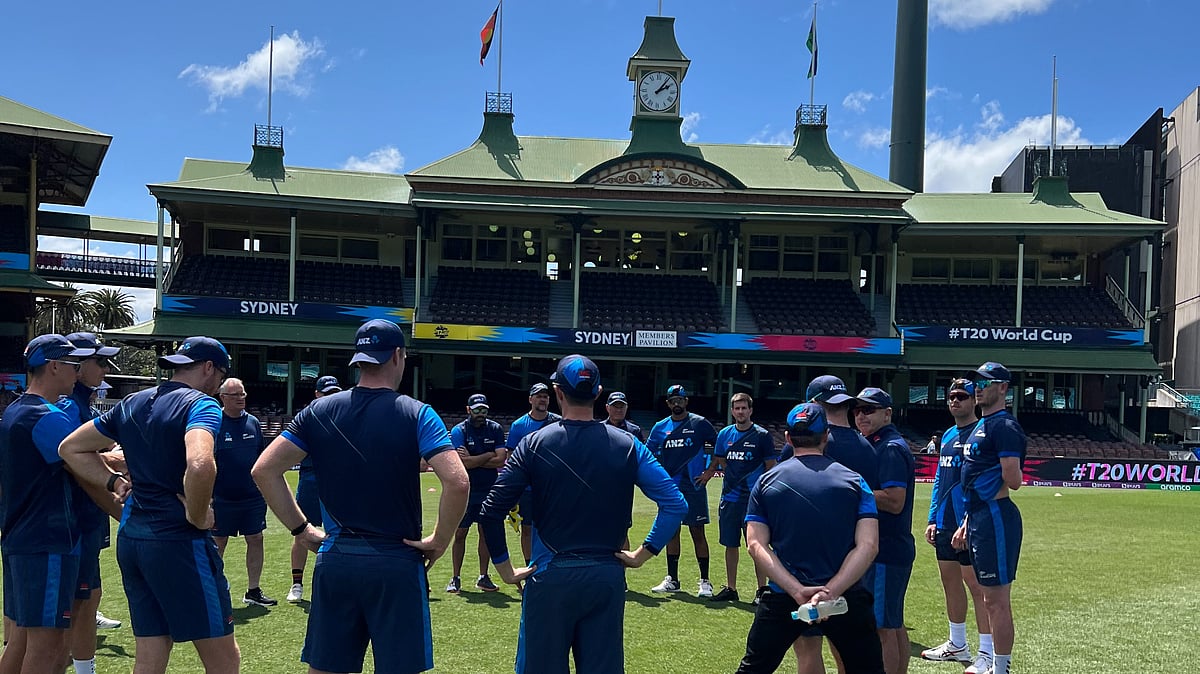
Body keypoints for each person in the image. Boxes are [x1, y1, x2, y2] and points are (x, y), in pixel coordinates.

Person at [251, 319, 469, 674]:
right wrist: (440, 540)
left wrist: (301, 529)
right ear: (399, 355)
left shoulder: (318, 411)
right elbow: (458, 482)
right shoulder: (417, 413)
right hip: (396, 561)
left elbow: (264, 470)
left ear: (359, 359)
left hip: (337, 559)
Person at [477, 354, 687, 674]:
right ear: (599, 393)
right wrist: (642, 554)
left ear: (558, 392)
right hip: (606, 577)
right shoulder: (629, 445)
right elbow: (675, 504)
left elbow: (491, 511)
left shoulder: (532, 443)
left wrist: (505, 570)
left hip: (550, 577)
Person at [59, 336, 241, 674]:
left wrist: (113, 482)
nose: (218, 386)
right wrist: (198, 515)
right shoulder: (201, 405)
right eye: (220, 376)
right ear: (208, 368)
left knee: (151, 652)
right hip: (178, 542)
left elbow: (70, 448)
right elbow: (201, 464)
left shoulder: (132, 403)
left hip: (133, 540)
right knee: (224, 657)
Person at [734, 402, 884, 674]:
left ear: (788, 438)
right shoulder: (855, 481)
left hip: (783, 595)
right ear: (826, 435)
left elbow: (755, 544)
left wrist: (795, 589)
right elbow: (868, 546)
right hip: (846, 597)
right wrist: (832, 590)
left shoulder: (766, 482)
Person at [0, 335, 98, 674]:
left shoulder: (16, 410)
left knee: (23, 640)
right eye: (73, 365)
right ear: (54, 366)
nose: (78, 371)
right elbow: (82, 461)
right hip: (48, 541)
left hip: (23, 539)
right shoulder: (46, 416)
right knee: (50, 647)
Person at [791, 374, 878, 671]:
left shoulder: (805, 444)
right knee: (848, 650)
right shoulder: (867, 447)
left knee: (807, 645)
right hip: (853, 562)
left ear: (812, 404)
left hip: (806, 559)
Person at [952, 362, 1027, 674]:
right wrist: (968, 522)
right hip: (980, 515)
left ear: (1004, 388)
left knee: (995, 600)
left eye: (987, 382)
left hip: (996, 515)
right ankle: (993, 662)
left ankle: (1001, 667)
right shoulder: (983, 425)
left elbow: (1014, 480)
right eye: (977, 382)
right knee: (988, 598)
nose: (979, 387)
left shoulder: (1004, 427)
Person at [920, 379, 992, 674]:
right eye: (951, 396)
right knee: (950, 582)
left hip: (970, 522)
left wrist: (967, 521)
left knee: (977, 588)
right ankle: (957, 643)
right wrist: (932, 518)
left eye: (962, 396)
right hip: (946, 522)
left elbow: (983, 483)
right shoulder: (948, 435)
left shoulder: (982, 435)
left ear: (975, 399)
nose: (955, 401)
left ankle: (987, 652)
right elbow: (939, 480)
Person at [853, 387, 916, 674]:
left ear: (887, 413)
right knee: (893, 623)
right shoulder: (879, 443)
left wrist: (853, 490)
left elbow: (894, 500)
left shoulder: (888, 447)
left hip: (887, 548)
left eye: (869, 410)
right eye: (857, 410)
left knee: (882, 628)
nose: (861, 415)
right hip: (892, 547)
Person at [697, 392, 776, 604]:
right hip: (730, 498)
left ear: (751, 410)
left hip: (754, 501)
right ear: (732, 411)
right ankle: (731, 588)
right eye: (737, 408)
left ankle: (762, 590)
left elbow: (771, 469)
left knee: (757, 545)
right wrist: (723, 476)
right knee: (730, 544)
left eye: (744, 408)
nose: (740, 412)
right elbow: (720, 459)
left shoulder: (761, 436)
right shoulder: (724, 434)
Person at [646, 384, 717, 597]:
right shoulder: (660, 427)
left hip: (693, 484)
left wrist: (709, 472)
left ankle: (705, 581)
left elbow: (720, 447)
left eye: (680, 400)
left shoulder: (699, 423)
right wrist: (658, 479)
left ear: (686, 401)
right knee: (672, 531)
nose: (677, 403)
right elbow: (647, 455)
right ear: (668, 403)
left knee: (697, 531)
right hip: (670, 487)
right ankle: (673, 579)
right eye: (672, 400)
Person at [211, 378, 275, 607]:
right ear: (223, 398)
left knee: (256, 539)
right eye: (235, 395)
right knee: (218, 542)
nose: (241, 398)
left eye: (243, 394)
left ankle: (253, 590)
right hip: (221, 498)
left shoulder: (253, 423)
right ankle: (214, 591)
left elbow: (261, 457)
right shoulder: (214, 423)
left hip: (252, 497)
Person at [287, 374, 341, 603]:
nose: (331, 398)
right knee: (301, 531)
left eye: (335, 393)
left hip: (337, 480)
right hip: (310, 478)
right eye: (327, 394)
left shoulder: (345, 416)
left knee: (339, 531)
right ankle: (296, 584)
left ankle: (334, 581)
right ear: (317, 395)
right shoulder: (306, 418)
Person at [446, 393, 506, 594]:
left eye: (484, 410)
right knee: (460, 533)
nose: (481, 413)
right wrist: (489, 455)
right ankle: (455, 577)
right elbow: (463, 462)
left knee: (485, 533)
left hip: (488, 490)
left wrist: (476, 459)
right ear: (468, 410)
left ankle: (483, 576)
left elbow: (500, 460)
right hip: (466, 491)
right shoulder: (459, 431)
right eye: (477, 409)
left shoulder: (495, 429)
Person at [504, 382, 562, 564]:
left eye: (545, 396)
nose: (542, 399)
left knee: (552, 526)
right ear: (531, 399)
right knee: (527, 528)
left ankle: (551, 562)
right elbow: (511, 457)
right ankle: (530, 564)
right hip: (528, 489)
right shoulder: (519, 425)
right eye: (538, 396)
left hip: (551, 488)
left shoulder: (558, 422)